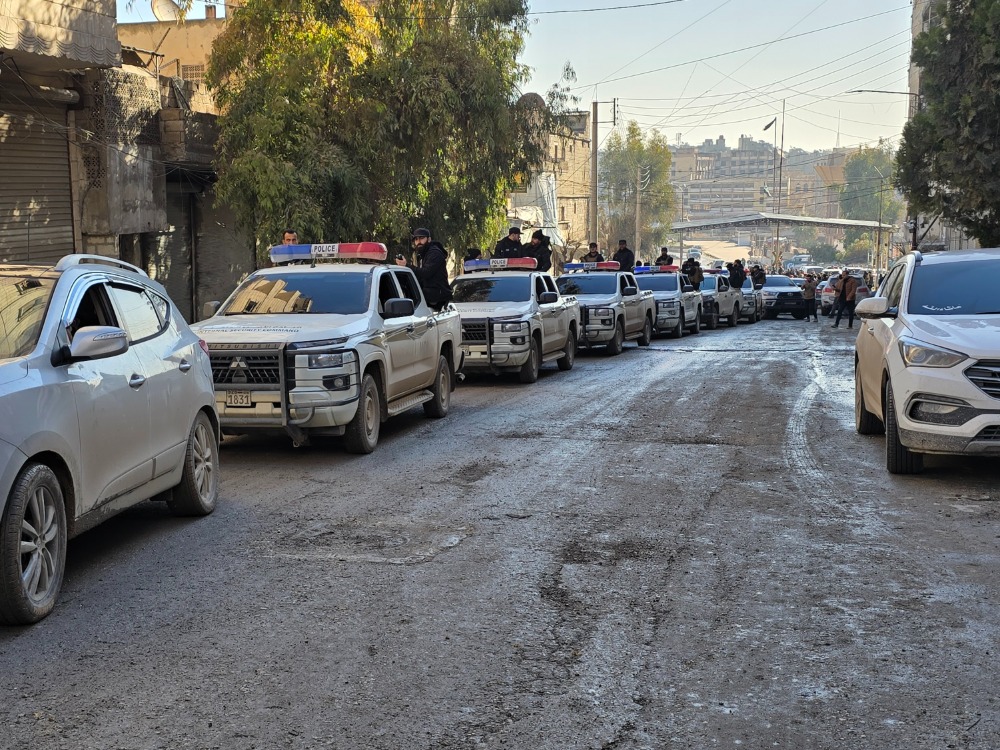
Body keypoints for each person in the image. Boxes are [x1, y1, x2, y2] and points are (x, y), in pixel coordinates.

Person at [396, 228, 451, 311]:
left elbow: (426, 273)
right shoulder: (423, 254)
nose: (419, 242)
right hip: (430, 295)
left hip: (436, 297)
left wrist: (406, 266)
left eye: (421, 238)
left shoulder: (434, 253)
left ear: (429, 239)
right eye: (416, 239)